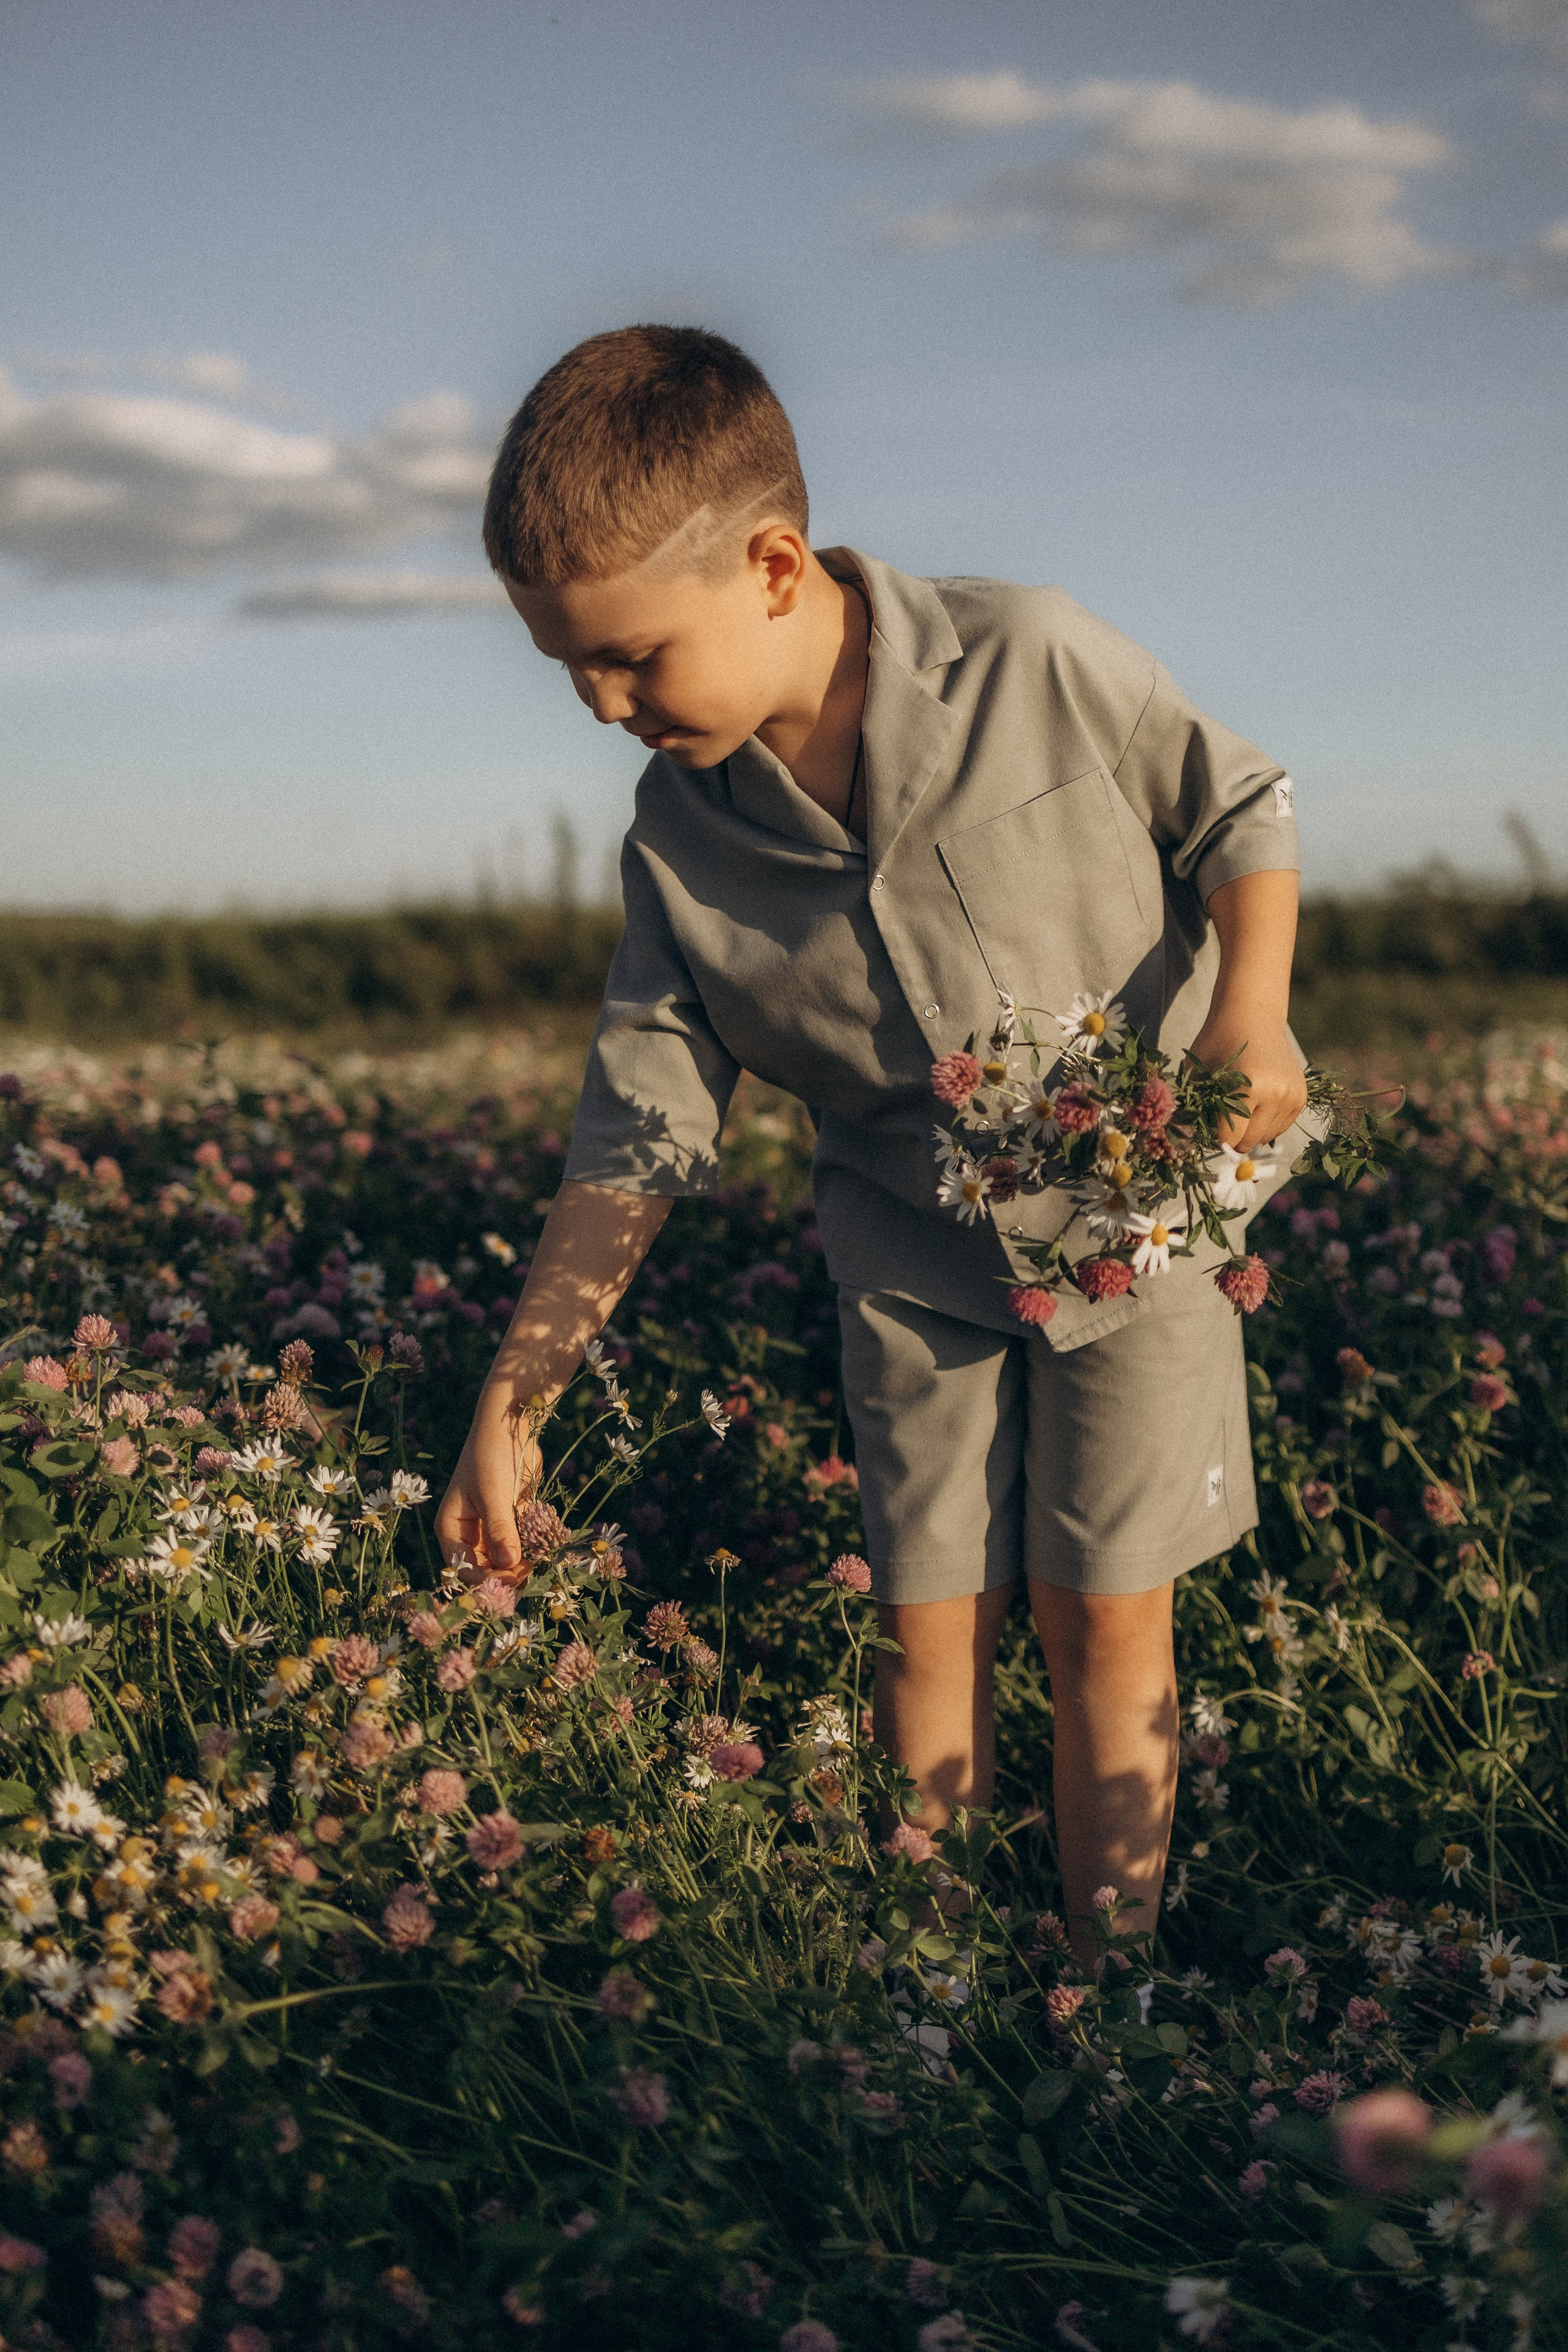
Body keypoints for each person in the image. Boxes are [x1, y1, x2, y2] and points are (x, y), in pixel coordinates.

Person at [435, 323, 1309, 1967]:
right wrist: (513, 1399)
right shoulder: (678, 844)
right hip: (907, 1255)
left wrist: (1249, 1017)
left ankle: (1104, 1993)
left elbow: (1238, 806)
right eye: (569, 667)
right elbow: (636, 1139)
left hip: (1138, 1215)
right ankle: (933, 1989)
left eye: (630, 658)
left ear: (773, 567)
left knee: (1104, 1617)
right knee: (929, 1631)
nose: (601, 706)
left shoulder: (1028, 656)